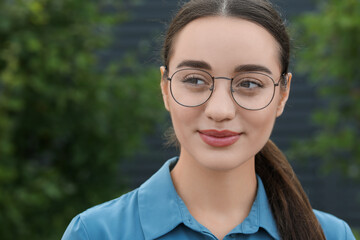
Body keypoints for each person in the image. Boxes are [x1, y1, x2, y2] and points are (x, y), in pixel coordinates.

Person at [62, 0, 356, 239]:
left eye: (250, 84)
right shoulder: (96, 232)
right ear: (165, 88)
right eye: (194, 79)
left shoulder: (329, 235)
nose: (220, 110)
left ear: (282, 94)